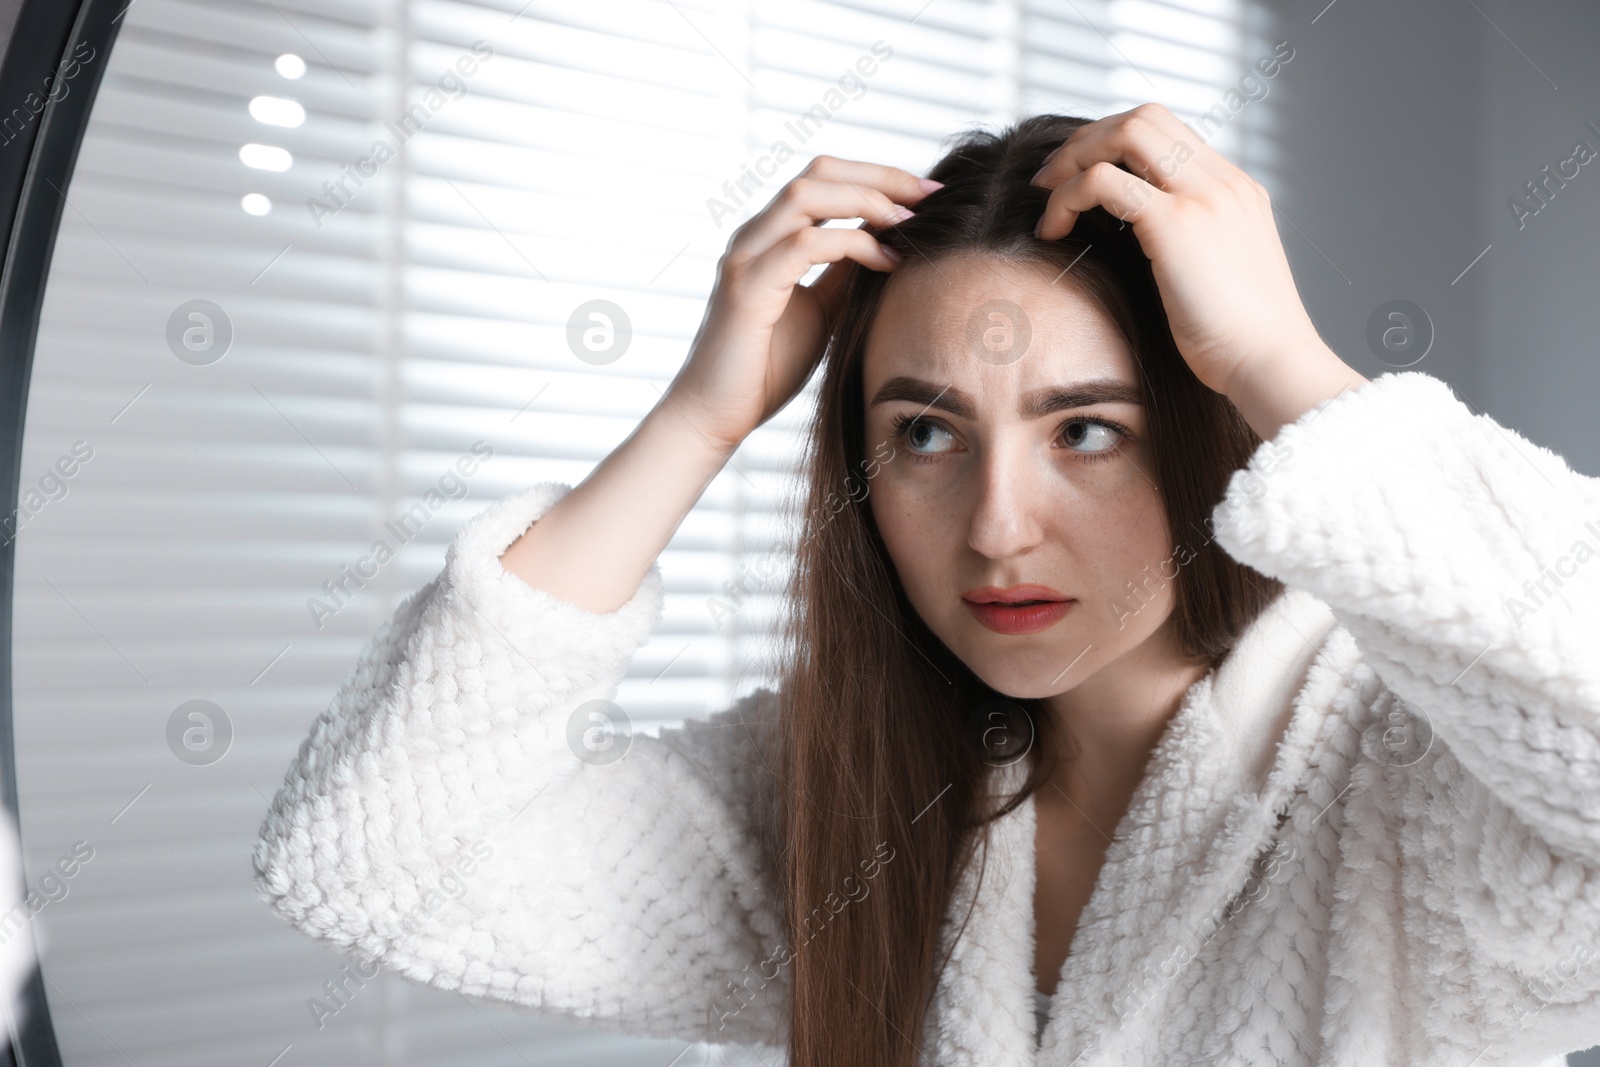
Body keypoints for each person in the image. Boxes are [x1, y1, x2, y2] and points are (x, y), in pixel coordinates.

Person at [253, 106, 1600, 1066]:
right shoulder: (853, 786)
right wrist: (695, 424)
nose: (997, 528)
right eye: (926, 436)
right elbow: (377, 863)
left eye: (1086, 430)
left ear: (1203, 425)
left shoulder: (1412, 774)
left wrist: (1275, 356)